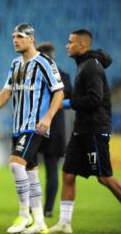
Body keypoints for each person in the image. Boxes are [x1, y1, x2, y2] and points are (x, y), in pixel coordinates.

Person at [0, 23, 64, 234]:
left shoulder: (44, 62)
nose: (15, 40)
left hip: (34, 126)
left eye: (19, 36)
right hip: (19, 127)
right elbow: (6, 93)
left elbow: (59, 92)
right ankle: (39, 222)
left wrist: (48, 117)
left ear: (31, 39)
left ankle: (24, 215)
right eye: (13, 37)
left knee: (16, 164)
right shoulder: (16, 64)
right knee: (30, 171)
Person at [49, 29, 121, 233]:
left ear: (82, 45)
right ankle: (64, 223)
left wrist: (66, 103)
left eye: (70, 42)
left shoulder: (91, 67)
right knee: (68, 174)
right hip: (81, 130)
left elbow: (95, 98)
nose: (66, 45)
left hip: (95, 129)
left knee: (104, 177)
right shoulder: (83, 64)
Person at [36, 43, 72, 217]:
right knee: (52, 171)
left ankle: (31, 209)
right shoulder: (64, 76)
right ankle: (48, 209)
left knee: (29, 169)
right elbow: (69, 99)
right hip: (55, 129)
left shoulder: (34, 74)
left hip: (34, 126)